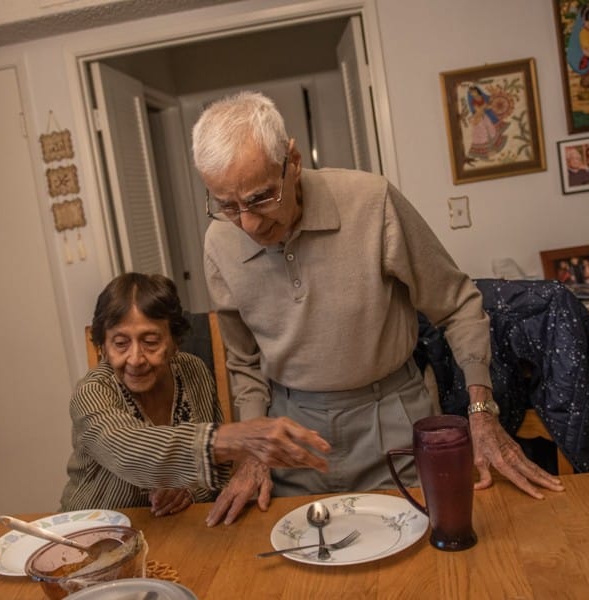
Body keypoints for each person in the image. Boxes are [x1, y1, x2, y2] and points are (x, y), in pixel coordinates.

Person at [191, 91, 563, 527]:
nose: (249, 225)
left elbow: (458, 304)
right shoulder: (219, 241)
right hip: (292, 434)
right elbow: (244, 361)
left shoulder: (372, 202)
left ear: (292, 161)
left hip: (392, 418)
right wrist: (253, 448)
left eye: (260, 198)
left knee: (425, 554)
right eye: (228, 206)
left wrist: (482, 415)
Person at [59, 272, 330, 515]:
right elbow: (130, 451)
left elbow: (219, 474)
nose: (135, 358)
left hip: (172, 529)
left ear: (174, 341)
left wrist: (187, 492)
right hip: (87, 534)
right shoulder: (91, 393)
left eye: (151, 342)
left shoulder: (193, 371)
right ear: (103, 347)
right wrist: (238, 437)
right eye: (120, 343)